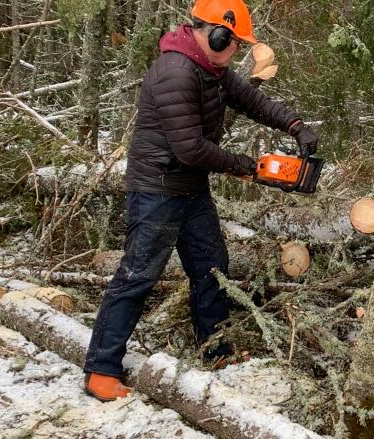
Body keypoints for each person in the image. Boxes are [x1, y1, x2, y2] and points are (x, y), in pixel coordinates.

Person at [82, 0, 318, 402]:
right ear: (216, 33)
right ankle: (100, 368)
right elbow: (190, 148)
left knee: (212, 266)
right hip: (157, 188)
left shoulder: (214, 70)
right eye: (234, 42)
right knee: (138, 274)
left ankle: (215, 348)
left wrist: (297, 126)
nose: (237, 50)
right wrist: (246, 165)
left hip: (190, 188)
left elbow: (255, 101)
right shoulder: (176, 71)